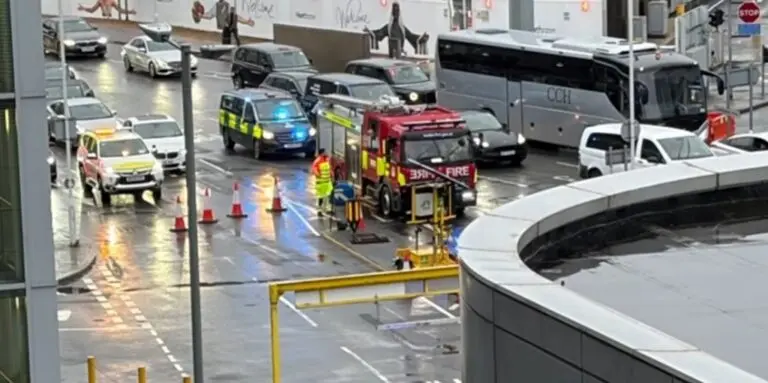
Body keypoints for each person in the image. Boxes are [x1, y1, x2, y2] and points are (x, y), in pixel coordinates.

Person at [312, 149, 332, 215]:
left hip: (327, 182)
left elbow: (329, 169)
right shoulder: (317, 161)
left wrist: (332, 175)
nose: (326, 153)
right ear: (321, 153)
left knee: (328, 196)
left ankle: (328, 209)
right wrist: (318, 174)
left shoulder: (327, 160)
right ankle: (319, 211)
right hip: (321, 183)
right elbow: (314, 169)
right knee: (321, 197)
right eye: (325, 152)